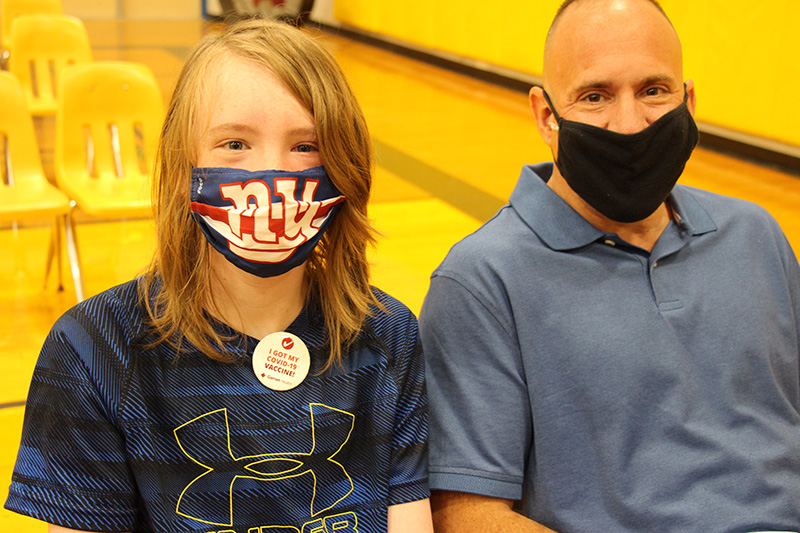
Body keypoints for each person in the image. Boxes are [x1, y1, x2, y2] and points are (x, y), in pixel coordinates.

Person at [5, 19, 433, 533]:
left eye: (305, 146)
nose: (270, 173)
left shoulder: (389, 337)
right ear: (183, 160)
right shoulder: (94, 349)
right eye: (234, 144)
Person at [420, 0, 800, 531]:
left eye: (653, 91)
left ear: (688, 100)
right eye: (595, 96)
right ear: (546, 115)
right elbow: (467, 515)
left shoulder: (755, 234)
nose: (629, 124)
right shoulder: (482, 280)